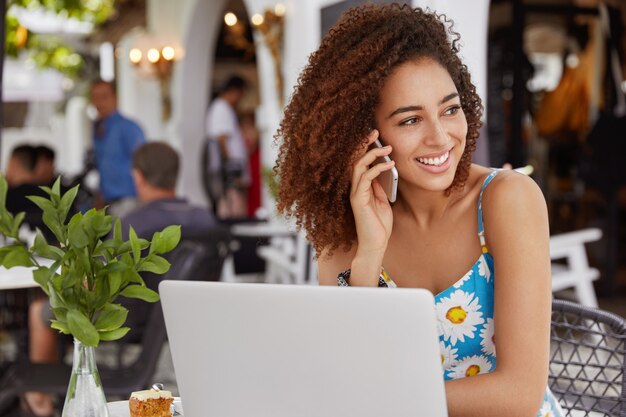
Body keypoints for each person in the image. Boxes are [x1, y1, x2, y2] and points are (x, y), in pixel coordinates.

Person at [275, 4, 562, 417]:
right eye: (410, 120)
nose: (441, 136)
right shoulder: (344, 232)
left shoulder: (507, 200)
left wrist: (384, 401)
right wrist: (370, 253)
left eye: (450, 108)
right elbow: (351, 372)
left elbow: (518, 395)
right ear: (362, 136)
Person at [90, 79, 146, 217]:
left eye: (104, 97)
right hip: (109, 203)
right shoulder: (99, 130)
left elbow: (144, 164)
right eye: (95, 97)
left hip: (130, 201)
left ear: (116, 99)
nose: (99, 102)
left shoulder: (128, 128)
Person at [205, 75, 250, 219]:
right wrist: (230, 169)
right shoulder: (220, 108)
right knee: (232, 209)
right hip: (229, 173)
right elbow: (221, 139)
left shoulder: (225, 108)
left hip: (231, 171)